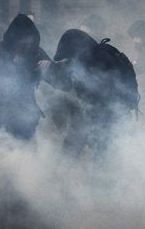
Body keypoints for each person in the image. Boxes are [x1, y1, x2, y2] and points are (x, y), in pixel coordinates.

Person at [53, 29, 139, 159]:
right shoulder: (95, 56)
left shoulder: (98, 59)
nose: (71, 60)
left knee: (106, 161)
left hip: (111, 118)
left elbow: (101, 91)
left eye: (70, 55)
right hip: (110, 117)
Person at [0, 14, 56, 155]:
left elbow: (59, 81)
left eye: (30, 43)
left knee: (26, 163)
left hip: (25, 119)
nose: (27, 46)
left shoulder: (36, 52)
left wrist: (49, 67)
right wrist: (24, 66)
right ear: (14, 39)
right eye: (23, 42)